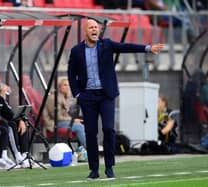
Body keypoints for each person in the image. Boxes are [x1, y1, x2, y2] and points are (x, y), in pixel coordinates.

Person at [67, 19, 164, 179]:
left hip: (106, 95)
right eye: (91, 28)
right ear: (85, 31)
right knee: (91, 133)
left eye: (96, 28)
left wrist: (148, 48)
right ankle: (93, 169)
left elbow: (126, 47)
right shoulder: (76, 51)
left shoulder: (106, 45)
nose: (94, 30)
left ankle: (109, 166)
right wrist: (77, 94)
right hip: (88, 97)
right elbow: (71, 73)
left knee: (108, 129)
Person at [0, 69, 30, 167]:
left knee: (22, 122)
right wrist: (1, 97)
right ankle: (13, 155)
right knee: (9, 125)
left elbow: (8, 112)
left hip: (0, 121)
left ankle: (25, 154)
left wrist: (20, 120)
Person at [43, 78, 87, 160]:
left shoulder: (64, 97)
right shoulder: (54, 98)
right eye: (65, 85)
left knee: (83, 124)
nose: (68, 87)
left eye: (68, 85)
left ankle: (84, 150)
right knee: (79, 127)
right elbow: (57, 117)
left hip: (62, 121)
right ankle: (91, 150)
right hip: (53, 124)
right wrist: (73, 120)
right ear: (59, 87)